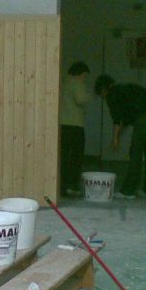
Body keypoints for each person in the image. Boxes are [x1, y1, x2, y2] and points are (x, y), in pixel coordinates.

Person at [94, 74, 146, 198]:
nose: (102, 97)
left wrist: (115, 139)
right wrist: (118, 136)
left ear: (103, 89)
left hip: (145, 116)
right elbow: (124, 121)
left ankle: (128, 191)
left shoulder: (112, 95)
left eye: (101, 94)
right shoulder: (123, 90)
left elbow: (117, 120)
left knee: (135, 151)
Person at [59, 61, 92, 197]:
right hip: (75, 125)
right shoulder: (77, 82)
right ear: (81, 73)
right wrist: (90, 95)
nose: (85, 79)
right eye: (85, 76)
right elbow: (80, 99)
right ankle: (72, 186)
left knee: (64, 157)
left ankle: (62, 186)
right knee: (76, 157)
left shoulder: (63, 81)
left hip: (62, 124)